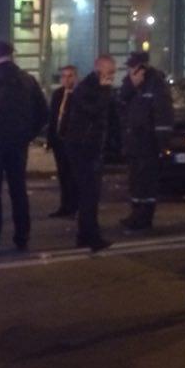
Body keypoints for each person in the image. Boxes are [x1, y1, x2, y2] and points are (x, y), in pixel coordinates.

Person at [0, 42, 48, 254]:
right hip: (18, 143)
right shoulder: (27, 80)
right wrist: (28, 134)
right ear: (13, 55)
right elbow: (43, 113)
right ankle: (22, 236)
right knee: (18, 189)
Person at [63, 55, 118, 252]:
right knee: (89, 193)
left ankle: (85, 235)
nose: (112, 76)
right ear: (99, 69)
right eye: (109, 71)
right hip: (84, 147)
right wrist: (105, 90)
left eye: (113, 72)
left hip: (88, 146)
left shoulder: (93, 88)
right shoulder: (88, 88)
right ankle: (91, 236)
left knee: (89, 193)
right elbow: (95, 111)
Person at [119, 50, 174, 230]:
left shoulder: (156, 84)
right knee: (135, 180)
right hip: (134, 141)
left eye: (133, 67)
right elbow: (121, 103)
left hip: (149, 142)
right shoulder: (130, 83)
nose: (130, 70)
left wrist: (162, 144)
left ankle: (144, 217)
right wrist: (132, 85)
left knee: (147, 181)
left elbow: (163, 114)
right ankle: (136, 213)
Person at [46, 65, 79, 217]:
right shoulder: (58, 94)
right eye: (64, 76)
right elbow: (53, 117)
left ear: (76, 77)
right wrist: (50, 139)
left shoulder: (79, 94)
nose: (66, 79)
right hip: (59, 141)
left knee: (74, 175)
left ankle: (75, 206)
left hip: (73, 141)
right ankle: (65, 206)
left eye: (70, 76)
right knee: (63, 175)